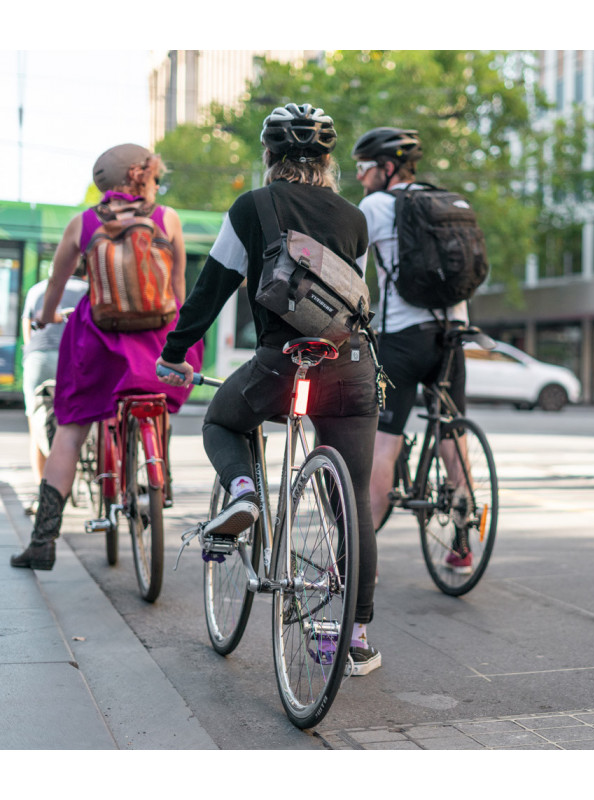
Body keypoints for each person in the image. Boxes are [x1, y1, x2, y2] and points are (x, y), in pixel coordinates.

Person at [156, 103, 382, 675]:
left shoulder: (253, 206)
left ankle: (243, 493)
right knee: (351, 497)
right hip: (351, 364)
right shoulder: (355, 218)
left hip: (282, 365)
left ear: (269, 157)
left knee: (221, 420)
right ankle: (355, 637)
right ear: (329, 161)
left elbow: (212, 288)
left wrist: (174, 353)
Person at [11, 143, 202, 571]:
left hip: (99, 342)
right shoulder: (166, 218)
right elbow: (177, 287)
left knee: (71, 428)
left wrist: (44, 317)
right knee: (159, 395)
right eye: (154, 177)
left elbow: (56, 284)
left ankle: (43, 541)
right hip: (157, 341)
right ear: (140, 178)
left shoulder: (83, 223)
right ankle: (159, 473)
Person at [351, 127, 472, 573]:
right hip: (454, 332)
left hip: (404, 335)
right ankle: (463, 540)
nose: (360, 179)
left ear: (385, 169)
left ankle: (359, 558)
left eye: (364, 169)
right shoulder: (446, 201)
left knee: (385, 443)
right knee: (452, 433)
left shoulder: (375, 205)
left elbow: (354, 274)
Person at [21, 266, 88, 504]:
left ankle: (43, 494)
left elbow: (28, 331)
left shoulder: (36, 289)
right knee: (77, 421)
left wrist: (30, 357)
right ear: (85, 272)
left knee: (36, 424)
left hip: (38, 357)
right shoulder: (88, 289)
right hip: (74, 357)